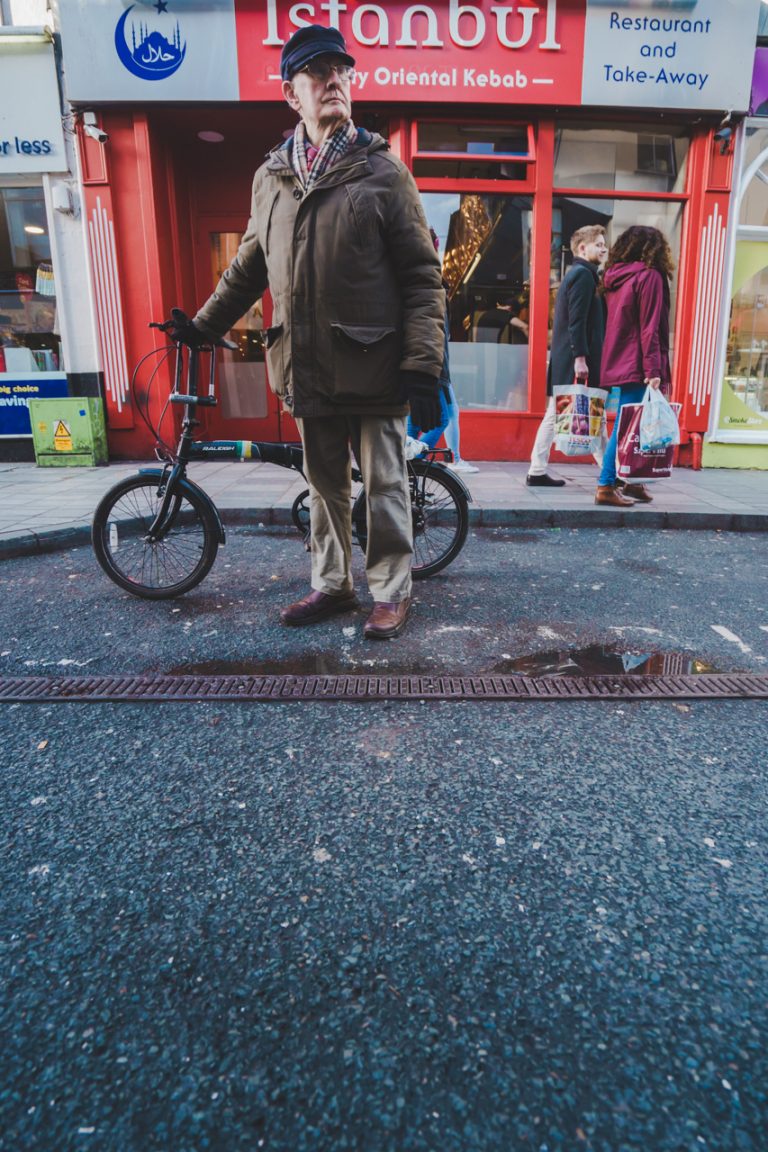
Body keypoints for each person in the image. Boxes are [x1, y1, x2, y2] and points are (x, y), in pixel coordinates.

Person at [172, 24, 444, 639]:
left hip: (376, 361)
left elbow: (424, 277)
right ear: (291, 94)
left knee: (384, 484)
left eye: (341, 71)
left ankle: (391, 590)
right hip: (305, 362)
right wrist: (204, 325)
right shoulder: (271, 177)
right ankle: (332, 584)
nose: (333, 81)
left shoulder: (383, 170)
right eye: (317, 73)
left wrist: (422, 363)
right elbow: (249, 264)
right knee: (324, 488)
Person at [595, 225, 673, 507]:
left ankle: (632, 482)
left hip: (620, 357)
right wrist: (653, 370)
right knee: (628, 427)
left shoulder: (616, 277)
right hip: (639, 363)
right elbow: (649, 327)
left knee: (633, 424)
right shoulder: (649, 276)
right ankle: (605, 485)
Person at [527, 225, 608, 487]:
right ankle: (610, 474)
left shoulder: (580, 275)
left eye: (604, 244)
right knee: (586, 414)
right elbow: (577, 321)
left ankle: (538, 470)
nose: (604, 248)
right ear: (582, 248)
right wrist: (581, 358)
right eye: (598, 244)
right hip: (574, 360)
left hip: (568, 358)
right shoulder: (583, 276)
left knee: (578, 414)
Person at [407, 228, 479, 474]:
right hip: (431, 363)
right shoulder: (430, 280)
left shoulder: (414, 277)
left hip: (422, 362)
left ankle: (405, 459)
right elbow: (431, 329)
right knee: (442, 418)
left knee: (415, 420)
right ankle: (407, 462)